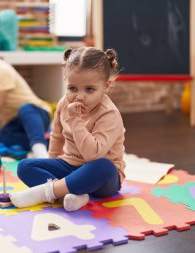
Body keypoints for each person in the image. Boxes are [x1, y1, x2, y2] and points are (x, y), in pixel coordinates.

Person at [10, 47, 126, 212]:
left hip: (101, 179)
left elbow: (92, 154)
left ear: (106, 86)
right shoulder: (64, 104)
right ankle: (71, 195)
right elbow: (57, 137)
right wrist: (51, 162)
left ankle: (47, 192)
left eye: (90, 89)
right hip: (70, 166)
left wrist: (76, 121)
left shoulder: (109, 114)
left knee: (103, 166)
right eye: (73, 88)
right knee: (24, 166)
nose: (79, 96)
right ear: (66, 80)